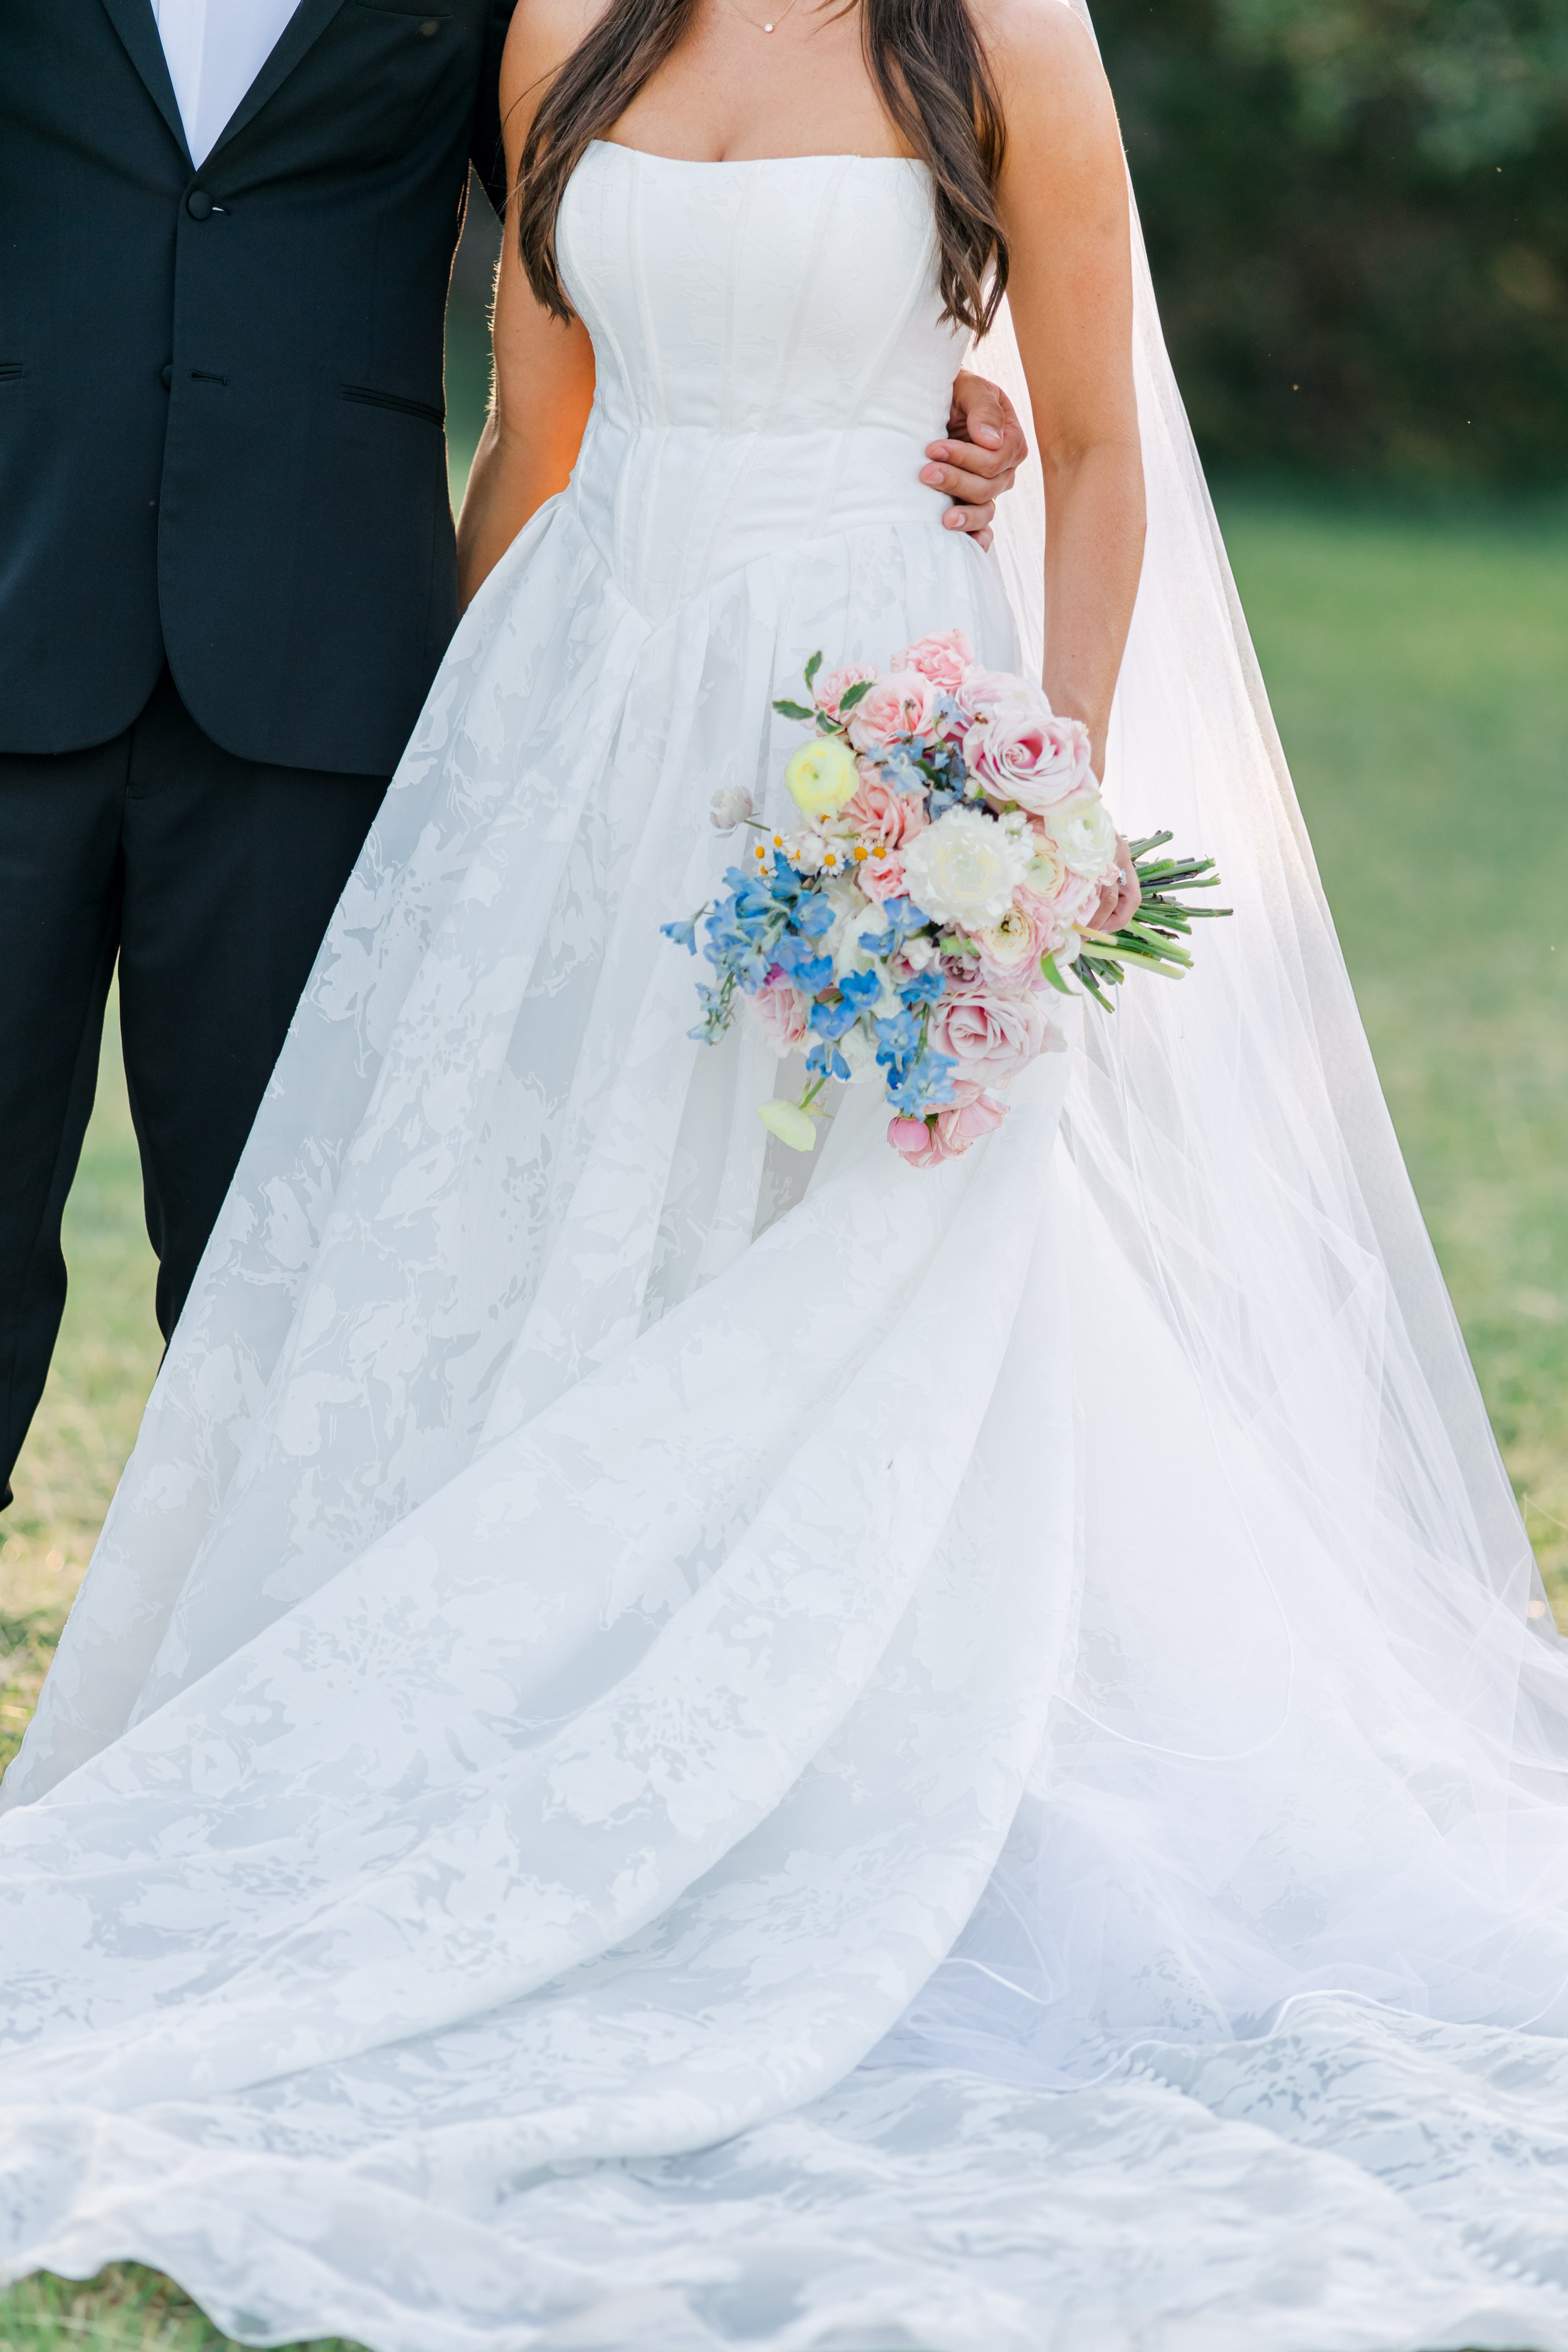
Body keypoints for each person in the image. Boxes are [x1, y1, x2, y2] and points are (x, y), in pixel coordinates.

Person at [3, 0, 1568, 2346]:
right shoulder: (565, 26)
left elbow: (1104, 451)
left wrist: (1035, 810)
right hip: (588, 709)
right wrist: (466, 789)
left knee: (858, 1292)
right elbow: (538, 432)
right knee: (555, 1273)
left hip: (876, 721)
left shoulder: (1008, 39)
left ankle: (818, 1821)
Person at [0, 0, 1019, 1513]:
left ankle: (215, 1678)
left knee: (279, 1241)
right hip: (16, 601)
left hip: (321, 679)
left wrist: (878, 373)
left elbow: (639, 205)